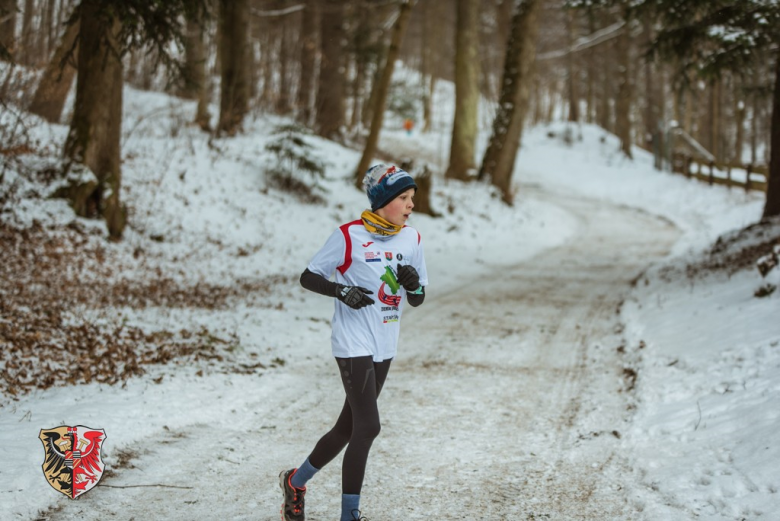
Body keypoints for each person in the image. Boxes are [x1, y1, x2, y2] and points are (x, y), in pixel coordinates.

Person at [280, 164, 428, 521]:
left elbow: (419, 297)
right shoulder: (349, 235)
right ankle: (350, 515)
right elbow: (308, 276)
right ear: (383, 201)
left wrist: (412, 285)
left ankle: (295, 483)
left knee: (348, 428)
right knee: (368, 426)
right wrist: (341, 291)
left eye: (412, 198)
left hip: (385, 343)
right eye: (403, 198)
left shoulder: (412, 239)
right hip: (352, 342)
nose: (410, 205)